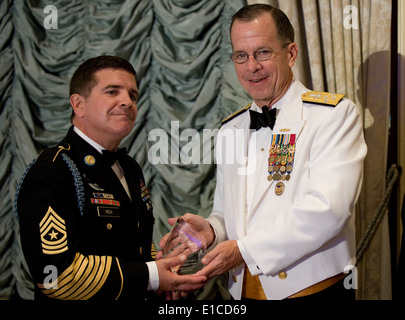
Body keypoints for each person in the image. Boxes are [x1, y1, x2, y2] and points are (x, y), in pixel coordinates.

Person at [161, 4, 367, 300]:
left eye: (263, 52)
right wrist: (211, 230)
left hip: (311, 290)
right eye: (241, 56)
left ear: (291, 53)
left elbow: (327, 209)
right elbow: (229, 212)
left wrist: (244, 250)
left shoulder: (333, 115)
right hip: (242, 291)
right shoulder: (231, 129)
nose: (251, 67)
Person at [15, 55, 206, 300]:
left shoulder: (130, 167)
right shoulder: (53, 170)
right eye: (112, 92)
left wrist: (163, 277)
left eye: (133, 95)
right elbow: (55, 277)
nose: (127, 101)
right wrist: (152, 276)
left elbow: (133, 246)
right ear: (78, 104)